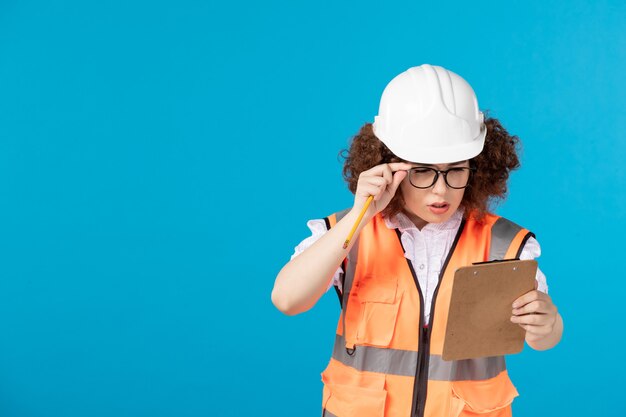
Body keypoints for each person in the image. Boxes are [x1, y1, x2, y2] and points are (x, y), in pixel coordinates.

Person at [271, 64, 563, 417]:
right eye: (423, 171)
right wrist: (360, 216)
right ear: (388, 164)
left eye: (456, 169)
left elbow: (541, 338)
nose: (441, 190)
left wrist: (548, 324)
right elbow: (287, 299)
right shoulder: (348, 234)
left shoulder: (504, 243)